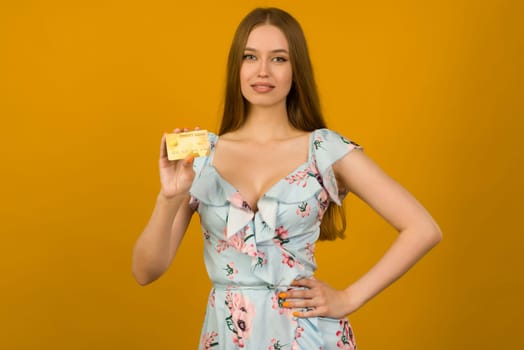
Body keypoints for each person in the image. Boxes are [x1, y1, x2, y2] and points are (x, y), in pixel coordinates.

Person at [132, 7, 442, 350]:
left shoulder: (323, 149)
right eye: (251, 57)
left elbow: (423, 229)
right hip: (228, 336)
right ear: (237, 65)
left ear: (297, 70)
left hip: (306, 337)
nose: (262, 71)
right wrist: (169, 198)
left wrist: (349, 298)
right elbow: (145, 272)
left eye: (278, 59)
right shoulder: (200, 154)